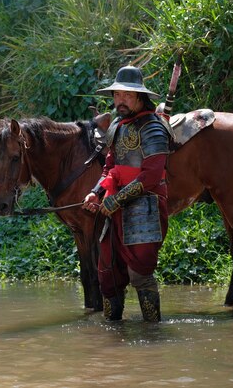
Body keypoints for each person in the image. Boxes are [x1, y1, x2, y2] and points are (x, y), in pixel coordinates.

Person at [82, 66, 172, 322]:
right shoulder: (118, 127)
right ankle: (113, 334)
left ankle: (152, 333)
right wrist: (96, 193)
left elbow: (151, 176)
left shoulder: (153, 128)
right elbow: (110, 168)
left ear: (140, 97)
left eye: (126, 95)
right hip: (114, 210)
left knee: (140, 274)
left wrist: (116, 199)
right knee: (108, 273)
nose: (119, 100)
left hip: (144, 208)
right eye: (116, 95)